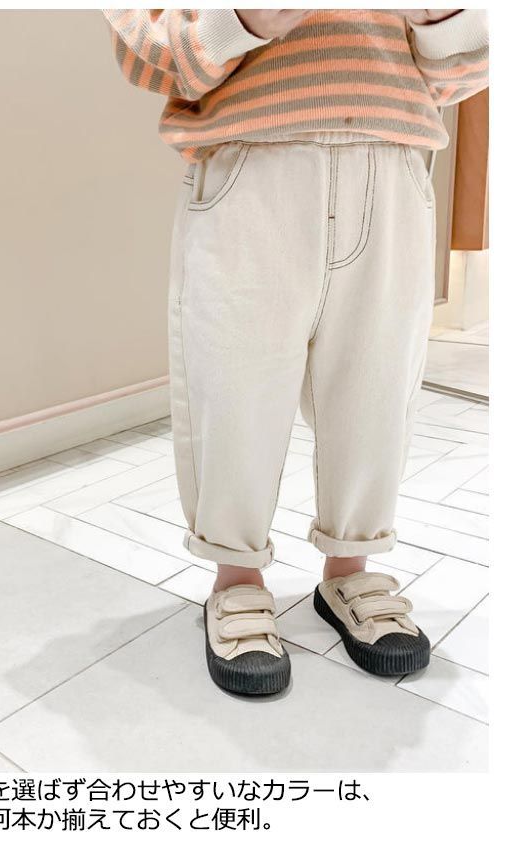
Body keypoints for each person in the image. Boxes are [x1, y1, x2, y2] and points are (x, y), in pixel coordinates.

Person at [102, 8, 488, 694]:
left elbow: (470, 67)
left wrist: (438, 15)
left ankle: (351, 569)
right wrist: (248, 17)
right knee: (235, 385)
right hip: (251, 161)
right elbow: (148, 53)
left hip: (391, 161)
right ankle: (236, 577)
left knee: (375, 391)